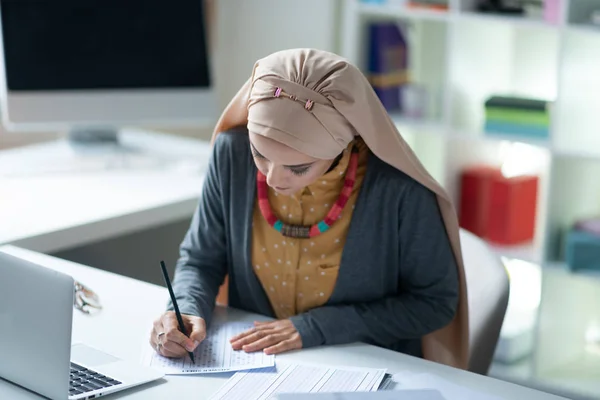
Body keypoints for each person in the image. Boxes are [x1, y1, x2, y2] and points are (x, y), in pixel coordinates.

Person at [149, 48, 469, 369]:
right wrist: (185, 310)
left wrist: (318, 327)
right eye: (259, 153)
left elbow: (435, 303)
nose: (273, 178)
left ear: (343, 142)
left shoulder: (400, 189)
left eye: (298, 167)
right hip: (255, 367)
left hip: (365, 370)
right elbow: (202, 260)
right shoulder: (230, 154)